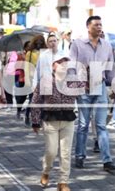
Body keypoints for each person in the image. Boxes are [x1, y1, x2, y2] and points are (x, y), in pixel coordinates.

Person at [70, 15, 115, 171]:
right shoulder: (77, 44)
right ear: (88, 27)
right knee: (83, 125)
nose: (99, 27)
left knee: (101, 125)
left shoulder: (107, 46)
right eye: (96, 24)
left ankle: (107, 160)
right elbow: (71, 66)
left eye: (101, 25)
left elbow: (111, 67)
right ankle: (79, 156)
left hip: (100, 86)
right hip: (83, 87)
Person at [31, 53, 84, 191]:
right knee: (51, 151)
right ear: (53, 66)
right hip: (51, 120)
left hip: (68, 119)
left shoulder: (73, 80)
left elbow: (83, 89)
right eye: (61, 62)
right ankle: (46, 172)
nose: (64, 65)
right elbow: (36, 101)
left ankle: (63, 182)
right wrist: (35, 121)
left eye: (66, 62)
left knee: (66, 153)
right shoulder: (46, 81)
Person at [24, 34, 47, 126]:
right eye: (37, 42)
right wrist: (27, 81)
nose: (39, 43)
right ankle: (27, 115)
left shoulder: (46, 52)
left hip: (44, 78)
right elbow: (26, 67)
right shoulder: (29, 53)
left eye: (41, 42)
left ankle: (40, 118)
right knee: (32, 100)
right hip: (32, 78)